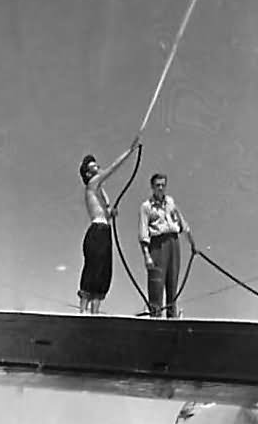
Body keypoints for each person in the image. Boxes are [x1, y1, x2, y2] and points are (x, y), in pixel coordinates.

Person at [76, 135, 141, 313]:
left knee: (103, 271)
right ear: (88, 173)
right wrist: (130, 151)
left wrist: (110, 210)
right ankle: (83, 312)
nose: (98, 167)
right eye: (94, 167)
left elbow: (106, 208)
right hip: (97, 231)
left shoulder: (99, 190)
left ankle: (95, 312)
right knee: (94, 268)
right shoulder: (93, 183)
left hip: (104, 231)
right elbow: (113, 168)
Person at [138, 173, 192, 318]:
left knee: (172, 285)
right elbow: (143, 234)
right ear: (152, 187)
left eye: (163, 185)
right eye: (157, 185)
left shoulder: (170, 202)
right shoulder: (146, 207)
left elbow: (182, 223)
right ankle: (156, 318)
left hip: (173, 243)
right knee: (156, 285)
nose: (160, 188)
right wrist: (147, 256)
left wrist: (191, 242)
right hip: (157, 245)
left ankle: (172, 318)